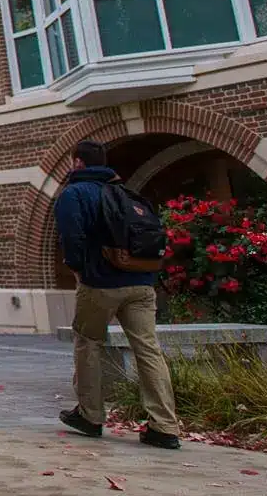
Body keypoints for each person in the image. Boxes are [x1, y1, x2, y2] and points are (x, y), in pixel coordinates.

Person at [55, 140, 182, 449]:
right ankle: (164, 426)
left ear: (78, 163)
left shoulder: (74, 194)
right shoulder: (126, 194)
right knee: (148, 349)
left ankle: (91, 415)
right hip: (141, 282)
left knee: (88, 343)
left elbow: (71, 237)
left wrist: (78, 270)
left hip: (100, 282)